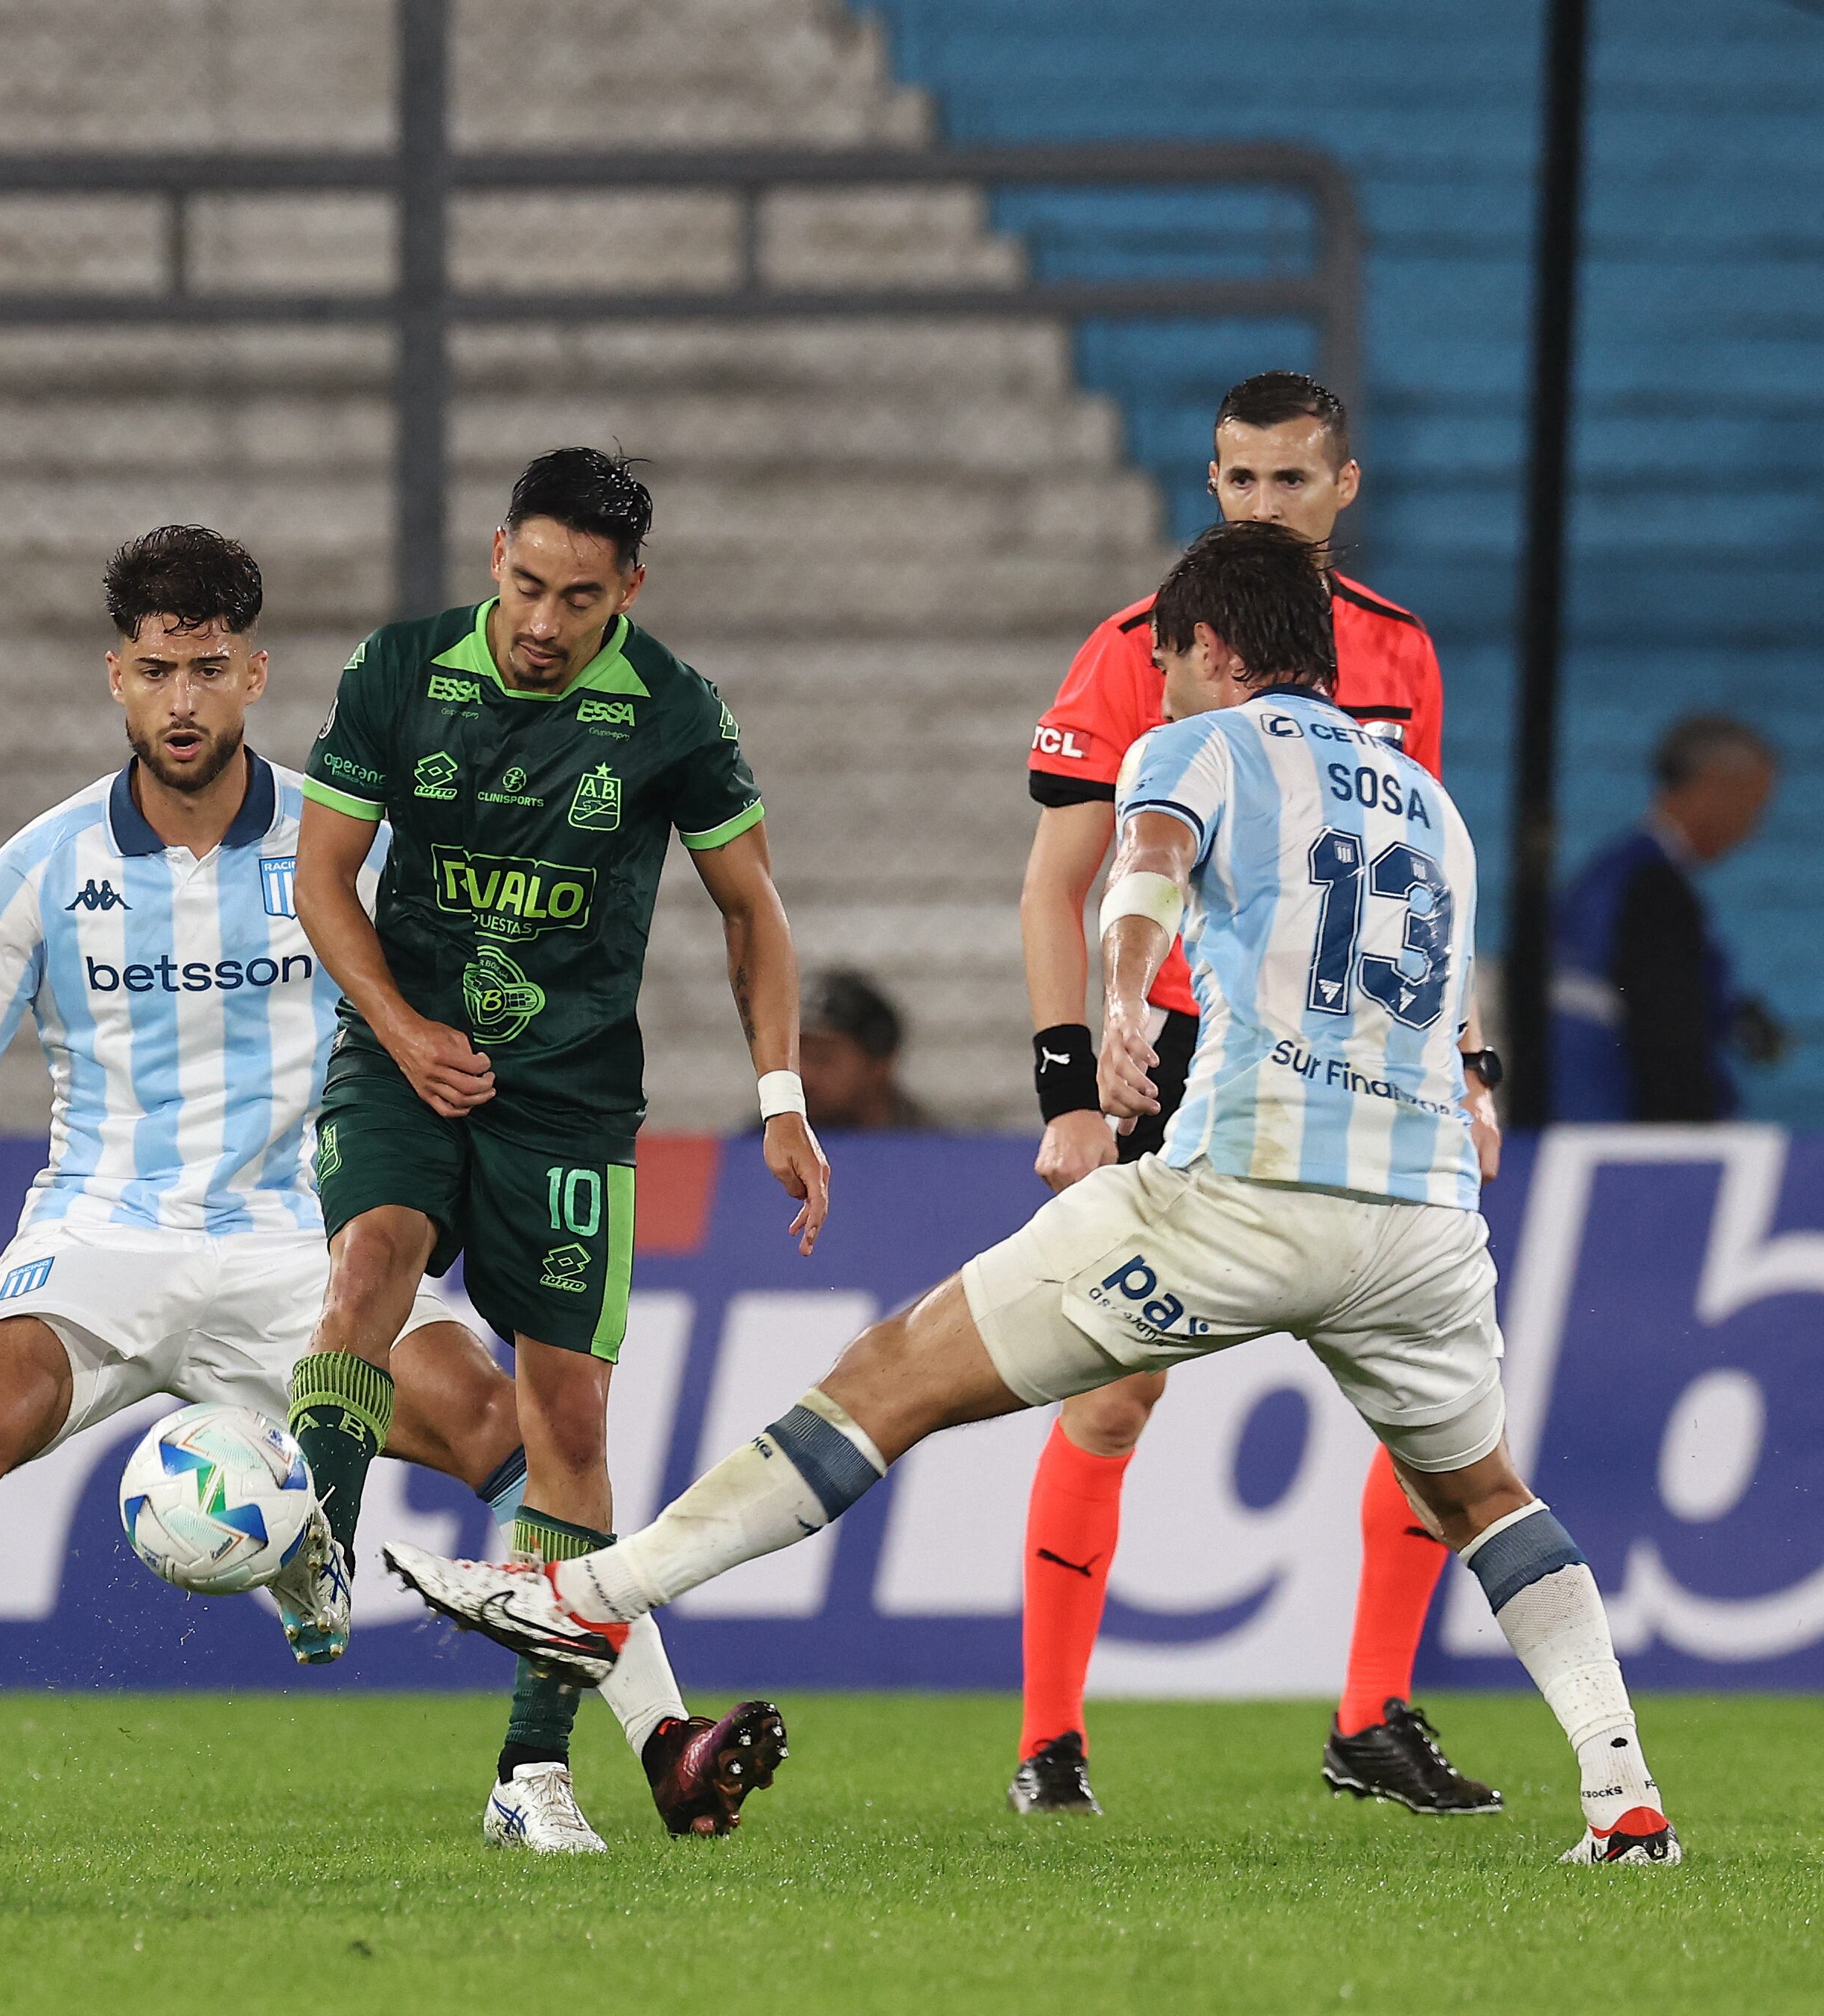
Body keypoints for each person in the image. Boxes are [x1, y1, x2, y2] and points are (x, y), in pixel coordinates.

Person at [389, 522, 1683, 1871]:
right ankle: (1627, 1802)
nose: (1166, 682)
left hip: (1242, 1191)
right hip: (1421, 1219)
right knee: (1487, 1498)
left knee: (894, 1375)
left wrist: (1122, 997)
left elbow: (1147, 867)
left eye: (1174, 658)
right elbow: (1442, 990)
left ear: (1221, 650)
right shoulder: (1426, 801)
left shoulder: (1201, 743)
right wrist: (1475, 1082)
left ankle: (590, 1596)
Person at [0, 527, 781, 1854]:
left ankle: (660, 1739)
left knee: (507, 1429)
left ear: (256, 674)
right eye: (157, 670)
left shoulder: (351, 848)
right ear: (117, 678)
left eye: (208, 668)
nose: (183, 699)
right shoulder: (41, 864)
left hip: (305, 1247)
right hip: (103, 1232)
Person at [290, 451, 827, 1851]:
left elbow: (751, 907)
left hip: (572, 1100)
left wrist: (780, 1091)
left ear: (626, 590)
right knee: (372, 1261)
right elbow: (320, 878)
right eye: (526, 583)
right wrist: (402, 1030)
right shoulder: (398, 671)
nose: (542, 618)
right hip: (409, 1056)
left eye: (578, 596)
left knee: (569, 1422)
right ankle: (317, 1554)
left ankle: (532, 1771)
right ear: (494, 556)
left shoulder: (673, 711)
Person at [1013, 369, 1490, 1817]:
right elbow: (1061, 882)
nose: (1266, 506)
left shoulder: (1404, 654)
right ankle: (1050, 1739)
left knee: (1432, 1399)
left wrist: (1470, 1061)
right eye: (1241, 481)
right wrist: (1070, 1087)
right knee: (1115, 1394)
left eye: (1294, 480)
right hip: (1180, 1062)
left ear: (1346, 487)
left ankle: (1373, 1714)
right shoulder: (1136, 651)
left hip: (1364, 1064)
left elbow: (1426, 883)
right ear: (1211, 485)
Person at [1551, 715, 1785, 1121]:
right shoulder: (1652, 889)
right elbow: (1667, 1031)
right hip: (1620, 1126)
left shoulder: (1613, 875)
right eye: (1754, 804)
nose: (1753, 829)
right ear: (1713, 786)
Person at [797, 969, 929, 1130]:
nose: (804, 1074)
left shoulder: (932, 1147)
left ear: (880, 1063)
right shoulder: (765, 1144)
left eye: (822, 1056)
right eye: (794, 1058)